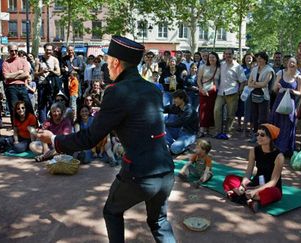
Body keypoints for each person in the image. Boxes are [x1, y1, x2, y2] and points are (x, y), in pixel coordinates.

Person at [36, 36, 176, 243]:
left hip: (139, 174)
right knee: (159, 221)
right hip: (165, 170)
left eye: (108, 60)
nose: (106, 66)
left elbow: (90, 137)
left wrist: (55, 139)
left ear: (116, 62)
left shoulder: (116, 91)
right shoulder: (152, 89)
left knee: (112, 212)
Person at [223, 124, 284, 213]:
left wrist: (256, 190)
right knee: (230, 178)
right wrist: (243, 184)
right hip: (254, 184)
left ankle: (240, 195)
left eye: (262, 135)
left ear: (271, 137)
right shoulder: (253, 151)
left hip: (269, 187)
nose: (258, 137)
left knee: (273, 193)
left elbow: (273, 182)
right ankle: (251, 199)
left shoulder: (279, 156)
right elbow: (248, 172)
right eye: (257, 134)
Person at [269, 57, 301, 157]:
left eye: (293, 62)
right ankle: (274, 147)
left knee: (288, 126)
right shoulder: (280, 73)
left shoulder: (298, 77)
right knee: (276, 124)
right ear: (286, 63)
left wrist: (292, 91)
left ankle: (285, 149)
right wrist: (277, 86)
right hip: (279, 102)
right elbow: (274, 89)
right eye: (289, 62)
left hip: (290, 104)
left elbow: (300, 92)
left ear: (296, 64)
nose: (291, 64)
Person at [214, 49, 247, 139]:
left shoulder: (238, 67)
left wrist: (239, 92)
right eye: (226, 54)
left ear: (233, 55)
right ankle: (218, 131)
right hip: (221, 92)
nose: (227, 55)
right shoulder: (221, 65)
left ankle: (228, 132)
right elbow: (216, 78)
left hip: (233, 92)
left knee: (231, 114)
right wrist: (216, 87)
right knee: (217, 111)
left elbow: (243, 81)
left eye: (229, 54)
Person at [248, 52, 274, 143]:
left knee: (263, 118)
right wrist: (257, 84)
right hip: (254, 95)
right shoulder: (254, 69)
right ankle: (255, 135)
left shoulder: (269, 70)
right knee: (255, 116)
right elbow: (248, 83)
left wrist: (254, 83)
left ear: (265, 59)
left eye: (261, 58)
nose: (259, 60)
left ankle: (263, 136)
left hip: (264, 97)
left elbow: (264, 84)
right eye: (258, 58)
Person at [164, 90, 199, 155]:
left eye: (175, 98)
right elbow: (163, 108)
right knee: (162, 126)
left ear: (182, 99)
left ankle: (181, 148)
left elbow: (178, 124)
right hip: (179, 131)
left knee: (174, 149)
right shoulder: (176, 106)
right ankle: (172, 145)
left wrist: (164, 123)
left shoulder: (189, 110)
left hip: (189, 134)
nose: (173, 100)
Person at [34, 44, 61, 123]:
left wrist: (51, 71)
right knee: (42, 105)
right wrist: (41, 72)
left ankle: (54, 122)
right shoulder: (38, 60)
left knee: (53, 104)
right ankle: (43, 124)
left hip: (51, 85)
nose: (49, 51)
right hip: (42, 84)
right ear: (44, 50)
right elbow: (35, 74)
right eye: (47, 50)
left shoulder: (55, 60)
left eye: (50, 50)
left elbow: (58, 73)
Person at [197, 51, 220, 137]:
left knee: (211, 110)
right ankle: (202, 129)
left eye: (213, 57)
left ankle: (210, 129)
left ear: (216, 58)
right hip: (204, 91)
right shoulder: (203, 67)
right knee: (203, 110)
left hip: (214, 92)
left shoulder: (219, 68)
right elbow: (199, 80)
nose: (211, 59)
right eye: (210, 57)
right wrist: (201, 89)